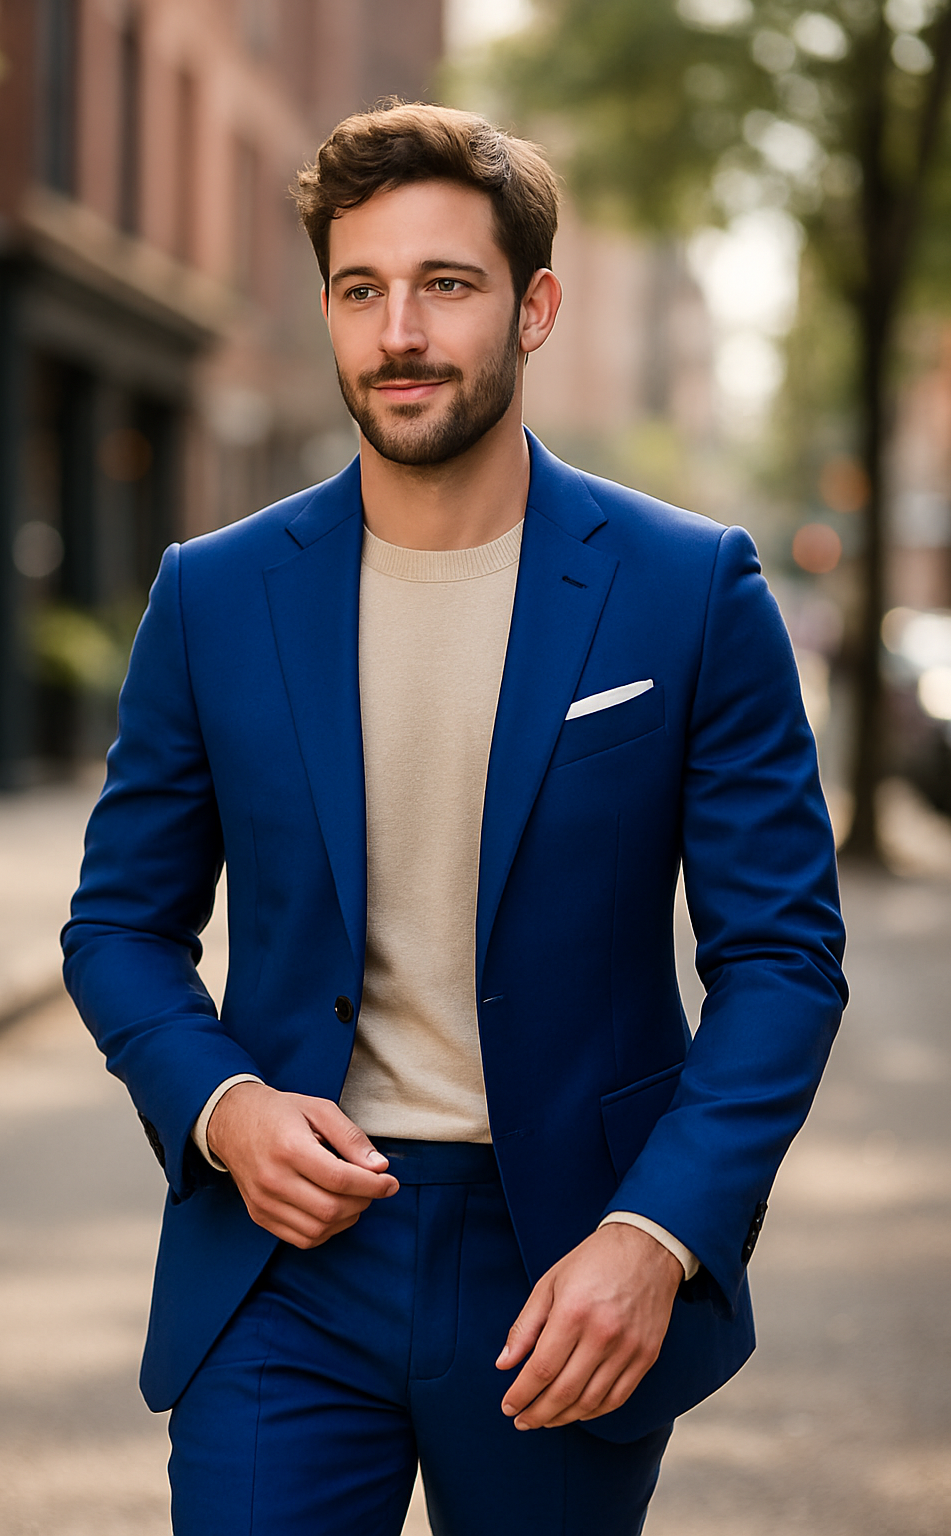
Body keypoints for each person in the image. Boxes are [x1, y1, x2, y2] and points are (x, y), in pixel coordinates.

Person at [63, 102, 847, 1536]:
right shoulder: (212, 595)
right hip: (283, 1257)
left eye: (447, 285)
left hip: (564, 1262)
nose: (400, 331)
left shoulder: (690, 590)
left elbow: (784, 958)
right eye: (362, 290)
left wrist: (660, 1234)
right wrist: (223, 1110)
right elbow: (119, 923)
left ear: (535, 306)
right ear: (327, 312)